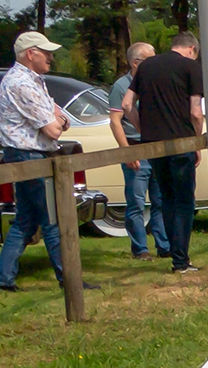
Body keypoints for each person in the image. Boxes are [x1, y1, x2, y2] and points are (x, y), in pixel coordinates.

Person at [0, 30, 99, 292]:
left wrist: (58, 118)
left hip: (30, 154)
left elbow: (60, 117)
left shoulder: (35, 80)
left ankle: (4, 277)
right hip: (29, 155)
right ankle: (69, 280)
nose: (51, 58)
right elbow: (53, 128)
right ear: (30, 54)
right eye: (46, 53)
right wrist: (57, 119)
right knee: (53, 218)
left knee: (26, 220)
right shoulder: (20, 84)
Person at [124, 32, 203, 274]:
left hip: (154, 145)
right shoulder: (191, 67)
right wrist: (197, 142)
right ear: (191, 49)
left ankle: (176, 256)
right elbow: (196, 112)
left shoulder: (146, 67)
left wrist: (142, 129)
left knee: (166, 199)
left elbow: (127, 104)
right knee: (184, 201)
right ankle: (180, 260)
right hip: (181, 143)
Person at [108, 41, 169, 261]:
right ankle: (140, 249)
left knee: (160, 200)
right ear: (136, 63)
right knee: (136, 203)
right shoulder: (121, 86)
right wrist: (127, 153)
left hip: (156, 149)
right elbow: (115, 121)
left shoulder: (153, 82)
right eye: (150, 60)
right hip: (135, 149)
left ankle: (164, 246)